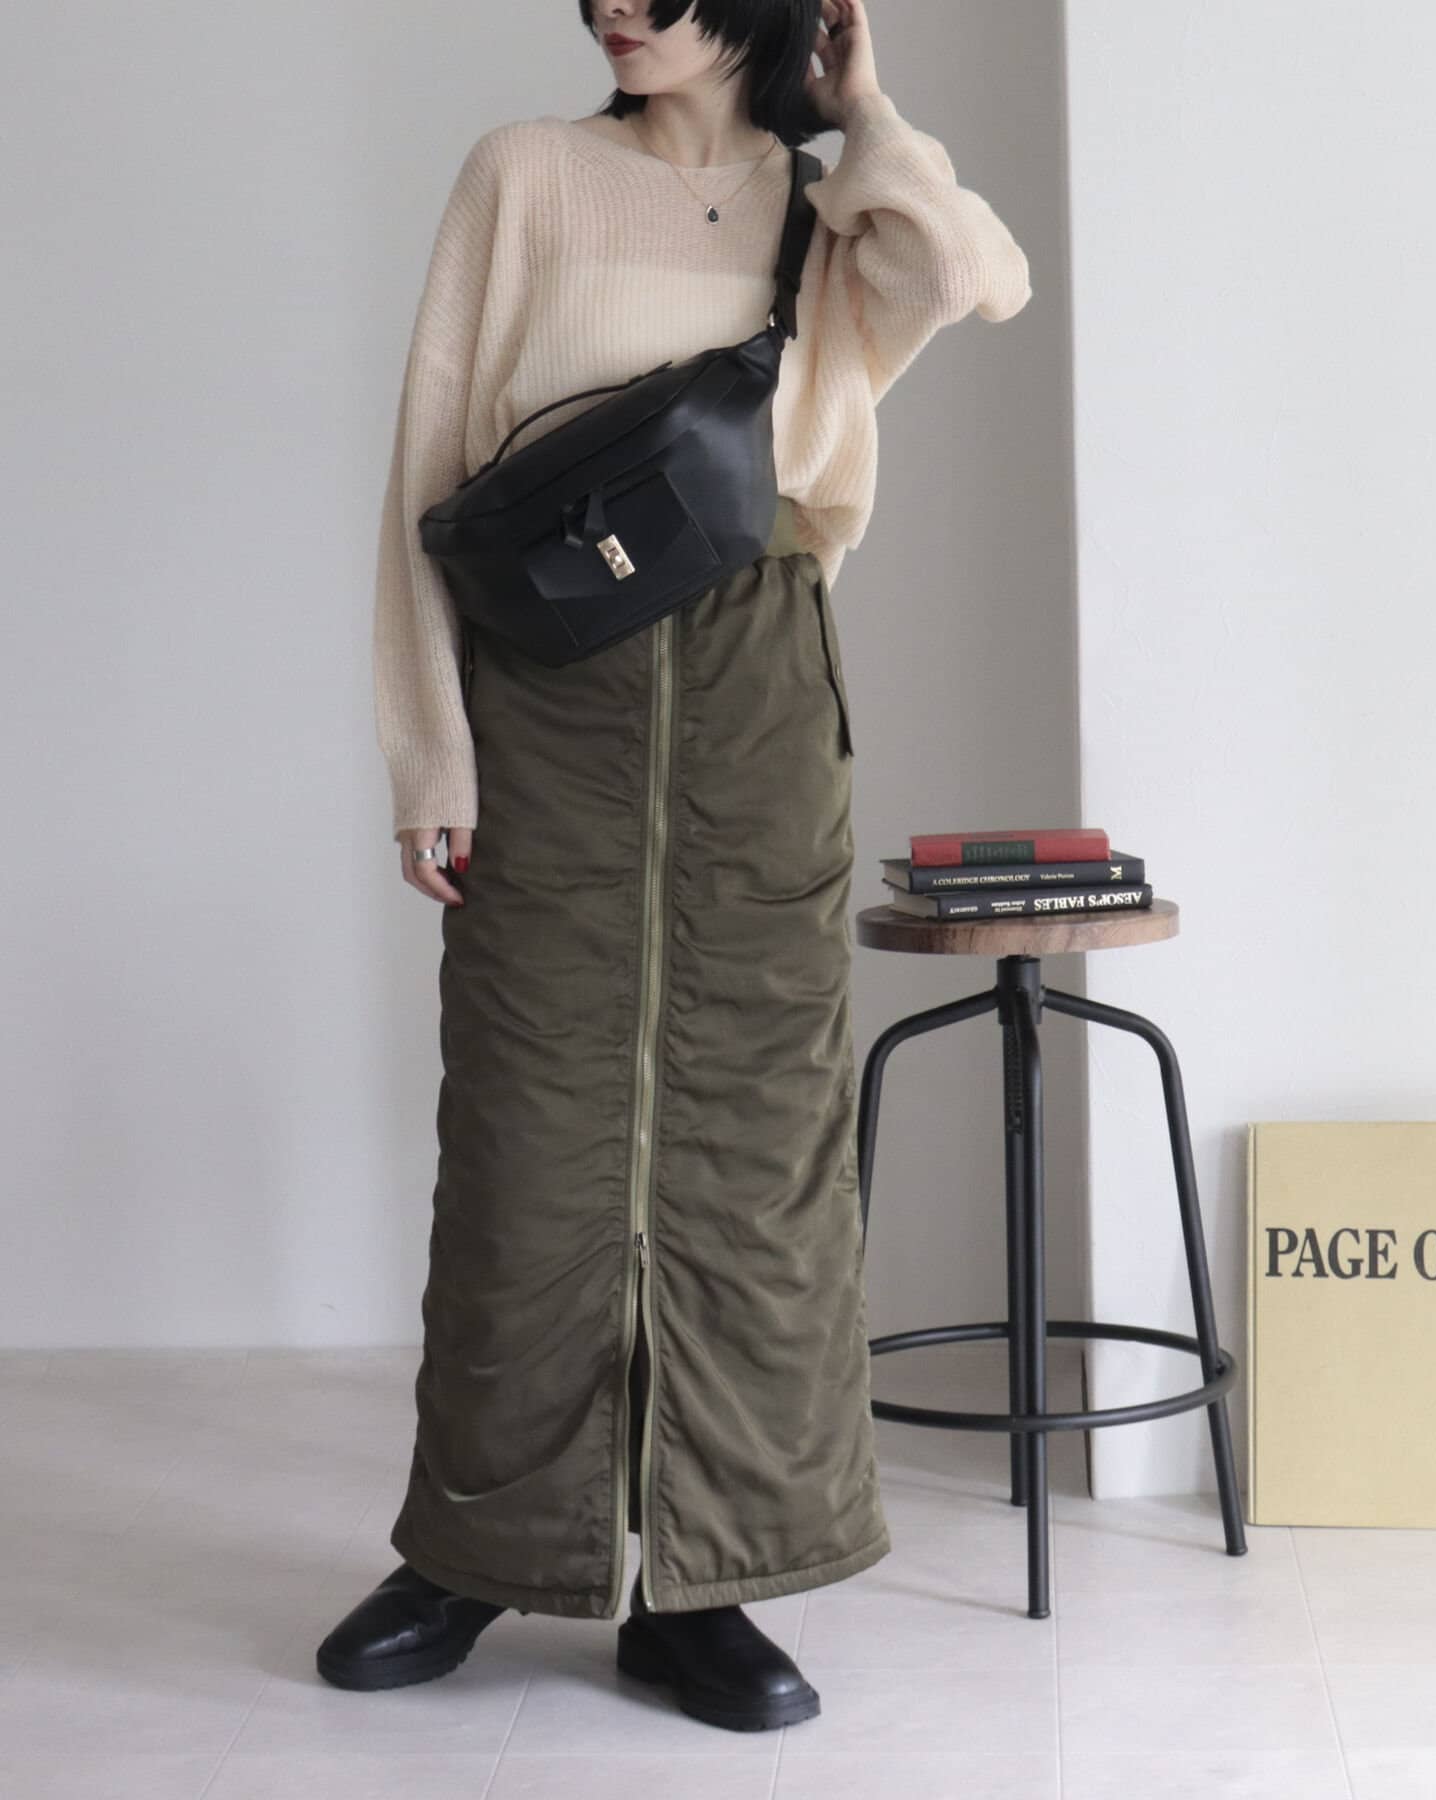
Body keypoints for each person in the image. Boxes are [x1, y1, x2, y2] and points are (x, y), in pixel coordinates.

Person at [318, 0, 1031, 1733]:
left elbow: (974, 276)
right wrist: (429, 753)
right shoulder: (525, 175)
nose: (617, 7)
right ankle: (479, 1551)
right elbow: (427, 468)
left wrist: (867, 112)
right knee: (526, 1136)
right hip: (545, 691)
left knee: (752, 1149)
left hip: (756, 694)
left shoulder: (831, 206)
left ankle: (707, 1581)